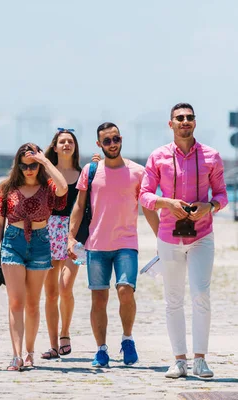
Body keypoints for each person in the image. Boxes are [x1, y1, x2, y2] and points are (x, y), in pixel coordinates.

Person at [139, 103, 228, 379]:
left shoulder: (211, 156)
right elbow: (144, 195)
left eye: (189, 118)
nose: (185, 122)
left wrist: (209, 206)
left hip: (202, 236)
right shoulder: (158, 156)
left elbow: (223, 195)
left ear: (195, 122)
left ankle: (200, 359)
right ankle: (179, 360)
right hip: (168, 236)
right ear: (171, 124)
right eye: (180, 118)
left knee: (201, 294)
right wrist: (166, 202)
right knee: (173, 299)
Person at [67, 122, 159, 368]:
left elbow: (148, 208)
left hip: (126, 243)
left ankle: (128, 339)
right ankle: (101, 349)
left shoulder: (138, 172)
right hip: (96, 245)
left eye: (115, 138)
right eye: (106, 141)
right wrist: (70, 236)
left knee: (125, 291)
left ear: (121, 139)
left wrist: (162, 238)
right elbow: (79, 205)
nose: (112, 144)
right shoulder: (91, 170)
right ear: (99, 144)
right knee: (99, 298)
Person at [0, 143, 68, 371]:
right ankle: (16, 355)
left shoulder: (48, 186)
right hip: (13, 242)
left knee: (32, 304)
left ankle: (30, 353)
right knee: (16, 302)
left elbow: (63, 188)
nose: (28, 169)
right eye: (23, 165)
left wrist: (45, 161)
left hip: (41, 243)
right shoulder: (7, 189)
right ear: (17, 165)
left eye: (32, 164)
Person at [40, 128, 99, 360]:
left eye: (70, 141)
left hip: (73, 233)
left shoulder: (85, 172)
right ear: (54, 147)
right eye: (62, 141)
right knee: (51, 292)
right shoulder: (45, 173)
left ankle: (65, 333)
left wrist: (98, 167)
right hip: (47, 231)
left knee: (65, 287)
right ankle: (54, 344)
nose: (66, 144)